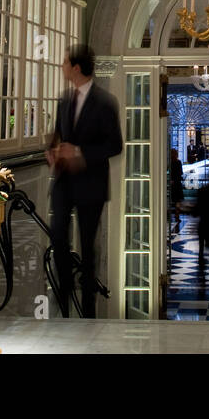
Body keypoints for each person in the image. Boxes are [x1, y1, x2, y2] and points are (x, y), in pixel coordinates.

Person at [47, 44, 123, 318]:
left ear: (76, 68)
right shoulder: (63, 101)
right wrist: (53, 152)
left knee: (88, 245)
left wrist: (79, 152)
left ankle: (89, 307)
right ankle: (63, 299)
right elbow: (56, 135)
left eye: (65, 62)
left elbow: (115, 145)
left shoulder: (105, 102)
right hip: (64, 182)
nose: (62, 67)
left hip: (91, 185)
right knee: (57, 237)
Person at [168, 147, 184, 231]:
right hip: (177, 183)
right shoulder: (178, 162)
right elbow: (181, 173)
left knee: (171, 200)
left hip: (171, 183)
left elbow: (167, 171)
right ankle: (177, 216)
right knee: (178, 201)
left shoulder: (169, 163)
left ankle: (169, 215)